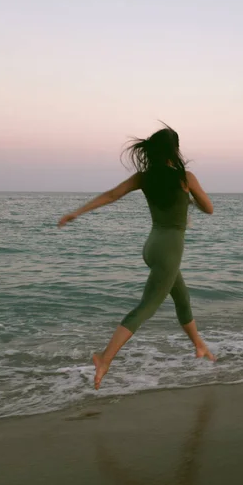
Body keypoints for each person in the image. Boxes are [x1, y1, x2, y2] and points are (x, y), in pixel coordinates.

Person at [58, 125, 215, 390]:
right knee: (146, 308)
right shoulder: (185, 177)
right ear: (175, 150)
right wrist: (189, 198)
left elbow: (111, 195)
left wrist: (77, 212)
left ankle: (199, 346)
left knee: (181, 297)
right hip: (169, 249)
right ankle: (104, 359)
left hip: (152, 245)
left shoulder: (144, 178)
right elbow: (209, 209)